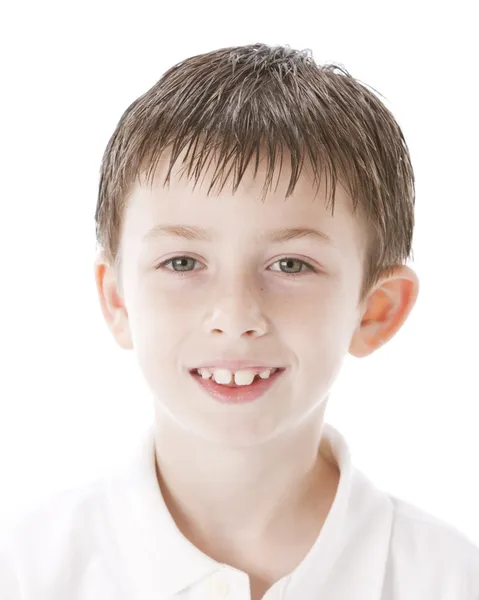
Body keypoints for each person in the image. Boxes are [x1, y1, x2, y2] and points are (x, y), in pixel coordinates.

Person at [1, 42, 478, 600]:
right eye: (182, 263)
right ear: (117, 300)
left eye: (291, 264)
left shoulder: (449, 580)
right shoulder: (25, 571)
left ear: (376, 310)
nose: (235, 317)